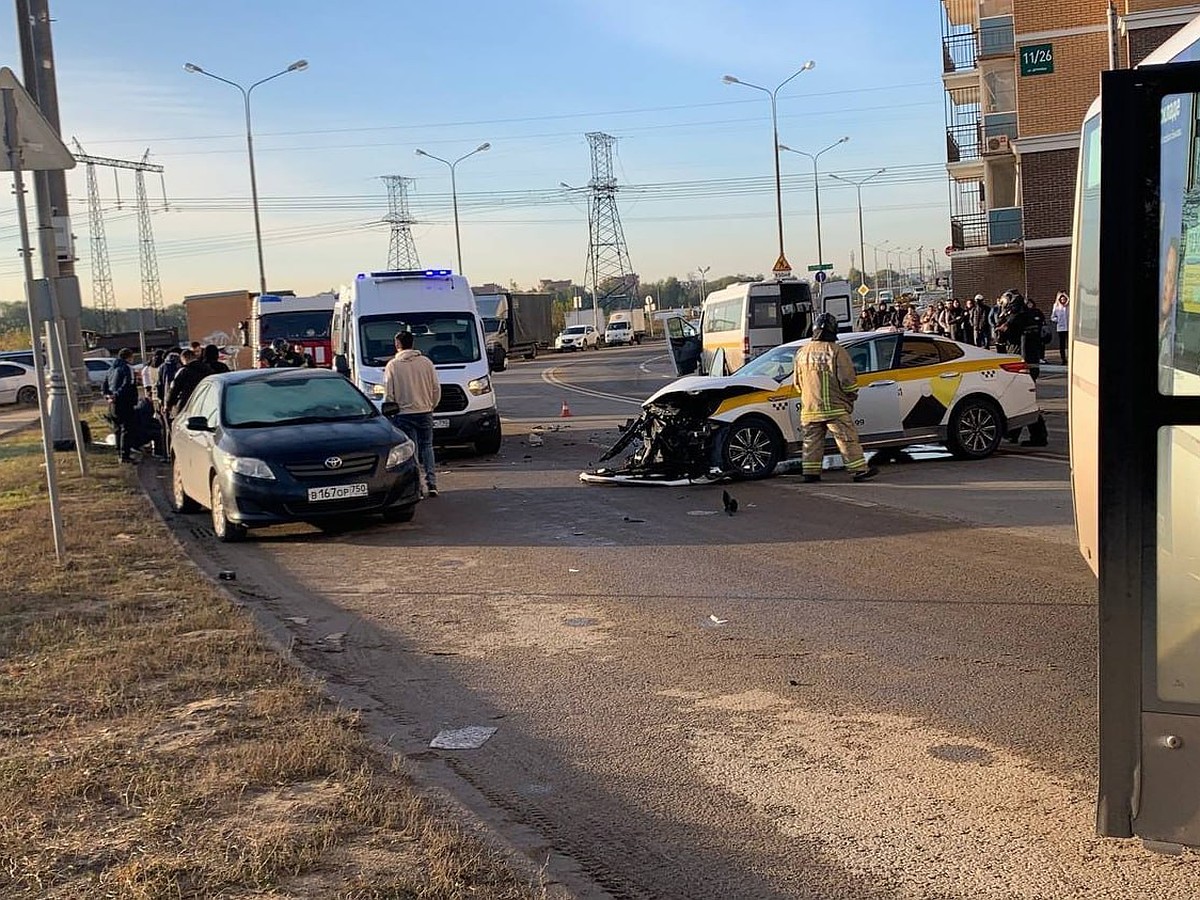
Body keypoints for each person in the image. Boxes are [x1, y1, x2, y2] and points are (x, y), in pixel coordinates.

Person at [793, 312, 879, 484]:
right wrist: (851, 396)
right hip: (835, 408)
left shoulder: (802, 353)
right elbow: (848, 380)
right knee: (847, 439)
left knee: (811, 443)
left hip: (810, 409)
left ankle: (810, 473)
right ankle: (858, 471)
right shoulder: (836, 351)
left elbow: (797, 383)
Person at [383, 330, 442, 497]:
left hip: (403, 414)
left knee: (411, 451)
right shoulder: (426, 363)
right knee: (428, 446)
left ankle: (417, 486)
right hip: (425, 411)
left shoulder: (392, 366)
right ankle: (432, 483)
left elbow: (389, 393)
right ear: (413, 344)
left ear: (397, 345)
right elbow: (436, 388)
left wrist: (391, 410)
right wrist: (431, 405)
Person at [103, 348, 139, 463]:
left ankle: (119, 451)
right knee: (126, 428)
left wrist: (107, 396)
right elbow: (128, 384)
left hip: (112, 403)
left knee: (117, 428)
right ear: (128, 357)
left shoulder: (111, 369)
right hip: (125, 402)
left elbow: (104, 384)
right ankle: (125, 455)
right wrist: (117, 395)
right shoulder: (127, 368)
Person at [164, 349, 212, 418]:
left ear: (184, 359)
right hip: (206, 404)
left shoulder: (183, 371)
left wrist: (168, 404)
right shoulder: (208, 368)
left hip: (187, 405)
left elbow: (174, 389)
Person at [1051, 291, 1070, 365]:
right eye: (1061, 299)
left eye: (1064, 299)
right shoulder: (1056, 306)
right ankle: (1063, 359)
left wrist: (1066, 296)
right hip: (1061, 328)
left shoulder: (1069, 306)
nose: (1063, 301)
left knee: (1069, 344)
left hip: (1068, 327)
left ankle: (1070, 358)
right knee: (1062, 345)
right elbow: (1052, 317)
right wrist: (1058, 320)